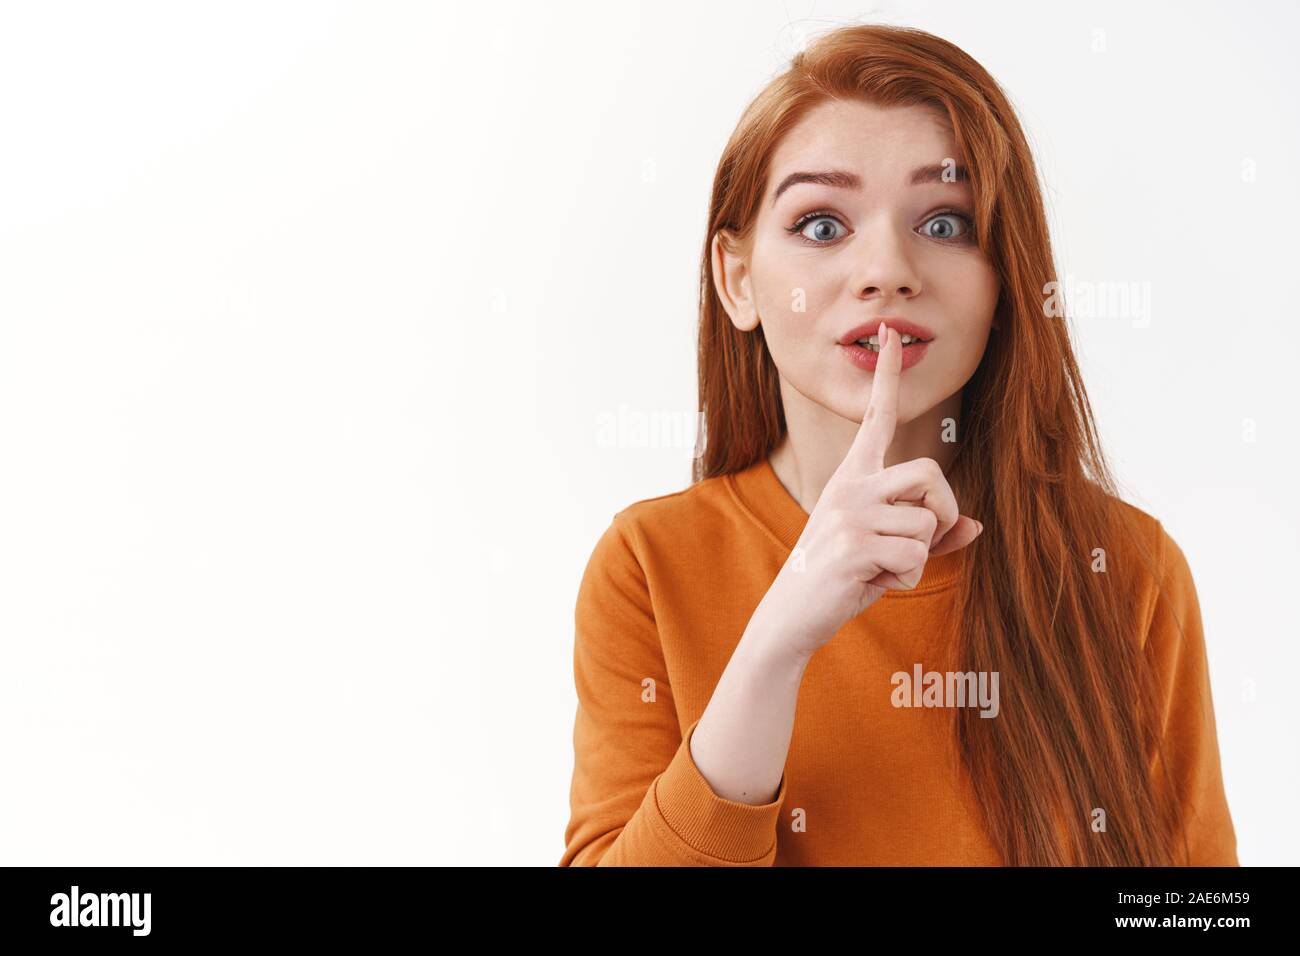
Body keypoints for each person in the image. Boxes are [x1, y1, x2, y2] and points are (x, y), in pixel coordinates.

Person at [559, 23, 1237, 866]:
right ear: (738, 279)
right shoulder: (647, 565)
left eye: (946, 222)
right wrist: (780, 637)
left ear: (1004, 279)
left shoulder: (1130, 569)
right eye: (819, 225)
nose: (887, 268)